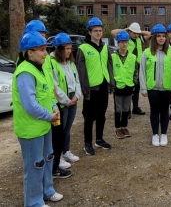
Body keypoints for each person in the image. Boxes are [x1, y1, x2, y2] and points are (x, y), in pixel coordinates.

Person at [13, 31, 63, 207]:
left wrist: (54, 106)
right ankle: (33, 202)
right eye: (41, 50)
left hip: (44, 125)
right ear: (29, 52)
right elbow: (30, 105)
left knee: (48, 158)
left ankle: (47, 191)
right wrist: (50, 115)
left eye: (45, 49)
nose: (45, 53)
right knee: (35, 166)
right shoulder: (25, 72)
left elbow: (47, 91)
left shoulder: (38, 68)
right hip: (31, 130)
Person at [23, 20, 72, 175]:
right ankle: (52, 170)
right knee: (48, 146)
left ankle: (54, 167)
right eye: (40, 35)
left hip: (51, 105)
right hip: (41, 114)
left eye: (44, 35)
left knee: (55, 140)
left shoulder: (44, 59)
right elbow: (31, 98)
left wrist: (54, 103)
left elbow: (49, 83)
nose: (43, 39)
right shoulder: (26, 66)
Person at [76, 17, 115, 155]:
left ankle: (99, 139)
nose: (98, 33)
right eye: (95, 31)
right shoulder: (83, 48)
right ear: (90, 32)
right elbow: (81, 71)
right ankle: (87, 143)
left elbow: (109, 65)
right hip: (91, 88)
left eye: (100, 30)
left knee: (101, 115)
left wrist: (111, 84)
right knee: (89, 116)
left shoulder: (105, 47)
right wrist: (85, 91)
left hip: (103, 86)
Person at [139, 24, 171, 147]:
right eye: (158, 36)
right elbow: (142, 71)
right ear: (154, 38)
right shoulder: (147, 52)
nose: (161, 38)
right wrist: (143, 87)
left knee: (165, 111)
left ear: (166, 38)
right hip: (153, 88)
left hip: (167, 88)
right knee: (154, 111)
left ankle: (164, 134)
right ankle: (155, 134)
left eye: (163, 36)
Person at [50, 33, 82, 164]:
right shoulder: (52, 63)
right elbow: (55, 86)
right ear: (59, 49)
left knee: (67, 128)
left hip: (72, 99)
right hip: (62, 102)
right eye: (66, 49)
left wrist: (76, 96)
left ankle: (66, 151)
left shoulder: (70, 63)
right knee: (60, 130)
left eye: (70, 48)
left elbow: (77, 80)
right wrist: (66, 101)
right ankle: (58, 155)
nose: (69, 51)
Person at [111, 22, 151, 116]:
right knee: (127, 87)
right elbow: (113, 32)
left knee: (136, 87)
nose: (136, 35)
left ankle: (135, 107)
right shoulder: (125, 38)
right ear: (129, 32)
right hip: (127, 65)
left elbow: (149, 34)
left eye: (137, 34)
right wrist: (126, 29)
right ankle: (127, 109)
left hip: (137, 65)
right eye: (134, 33)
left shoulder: (139, 39)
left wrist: (138, 31)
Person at [111, 31, 138, 139]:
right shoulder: (113, 56)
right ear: (118, 43)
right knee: (118, 108)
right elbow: (111, 72)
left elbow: (136, 71)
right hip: (118, 86)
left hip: (129, 85)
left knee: (126, 108)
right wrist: (112, 85)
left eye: (126, 42)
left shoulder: (132, 57)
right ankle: (118, 128)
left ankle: (124, 126)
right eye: (122, 42)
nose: (124, 44)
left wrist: (134, 82)